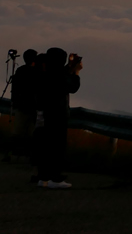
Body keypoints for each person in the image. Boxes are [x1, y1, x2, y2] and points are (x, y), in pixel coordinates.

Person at [34, 48, 81, 189]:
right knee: (57, 147)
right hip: (58, 115)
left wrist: (70, 67)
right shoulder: (57, 75)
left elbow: (62, 75)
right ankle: (55, 178)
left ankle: (43, 178)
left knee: (45, 146)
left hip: (45, 114)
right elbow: (72, 87)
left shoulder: (45, 72)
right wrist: (76, 72)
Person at [5, 49, 40, 162]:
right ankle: (28, 154)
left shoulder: (20, 71)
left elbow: (15, 88)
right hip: (33, 106)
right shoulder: (37, 72)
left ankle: (15, 153)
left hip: (21, 105)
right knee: (31, 132)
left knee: (18, 132)